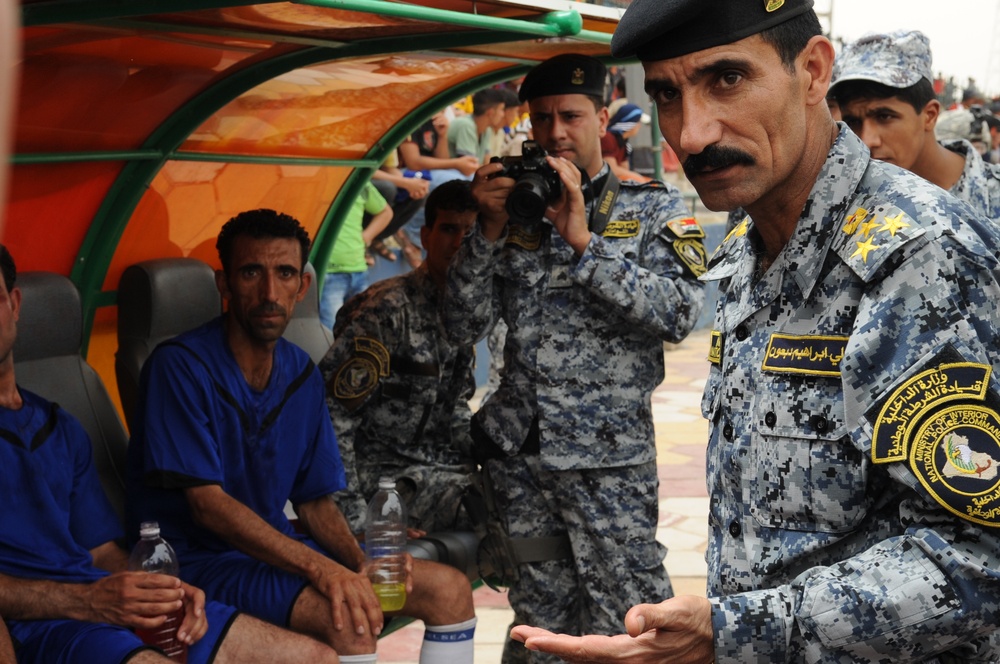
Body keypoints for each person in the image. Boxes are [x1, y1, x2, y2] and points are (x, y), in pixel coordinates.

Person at [512, 1, 1000, 662]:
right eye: (665, 94)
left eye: (727, 80)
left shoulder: (920, 253)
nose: (691, 135)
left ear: (813, 72)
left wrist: (735, 631)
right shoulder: (750, 244)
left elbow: (980, 557)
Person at [443, 53, 707, 662]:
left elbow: (678, 314)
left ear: (602, 117)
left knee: (633, 617)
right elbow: (461, 325)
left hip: (607, 458)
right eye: (541, 119)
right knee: (539, 624)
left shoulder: (653, 210)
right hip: (522, 458)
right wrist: (483, 231)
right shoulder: (512, 215)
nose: (556, 132)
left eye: (570, 115)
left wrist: (586, 245)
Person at [126, 209, 477, 664]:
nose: (269, 293)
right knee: (350, 620)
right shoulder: (179, 367)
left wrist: (357, 561)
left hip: (272, 550)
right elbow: (206, 505)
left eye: (285, 273)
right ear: (224, 283)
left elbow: (314, 501)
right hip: (198, 563)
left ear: (303, 287)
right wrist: (323, 569)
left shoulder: (300, 373)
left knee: (449, 590)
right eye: (252, 272)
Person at [0, 245, 338, 664]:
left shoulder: (59, 426)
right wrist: (86, 601)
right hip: (43, 624)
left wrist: (167, 589)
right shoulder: (183, 366)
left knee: (315, 659)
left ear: (14, 305)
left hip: (105, 604)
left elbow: (101, 552)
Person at [321, 179, 479, 533]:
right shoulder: (387, 311)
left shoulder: (466, 312)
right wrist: (357, 519)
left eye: (471, 234)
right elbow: (332, 419)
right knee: (504, 512)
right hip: (386, 482)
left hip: (444, 472)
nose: (458, 244)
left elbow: (453, 411)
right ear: (425, 237)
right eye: (449, 229)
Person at [830, 30, 1000, 220]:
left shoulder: (993, 196)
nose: (867, 140)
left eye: (884, 116)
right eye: (852, 121)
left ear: (930, 115)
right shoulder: (839, 197)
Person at [319, 181, 394, 328]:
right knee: (330, 334)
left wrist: (366, 237)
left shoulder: (359, 182)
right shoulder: (319, 181)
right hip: (329, 273)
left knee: (360, 330)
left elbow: (385, 212)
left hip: (358, 269)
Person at [447, 87, 507, 164]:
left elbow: (487, 162)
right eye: (501, 109)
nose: (503, 115)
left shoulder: (486, 130)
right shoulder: (466, 125)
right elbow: (469, 167)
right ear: (490, 112)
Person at [600, 102, 652, 183]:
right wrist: (640, 179)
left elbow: (624, 170)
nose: (639, 126)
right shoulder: (608, 138)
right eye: (637, 122)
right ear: (630, 122)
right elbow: (612, 170)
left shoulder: (623, 143)